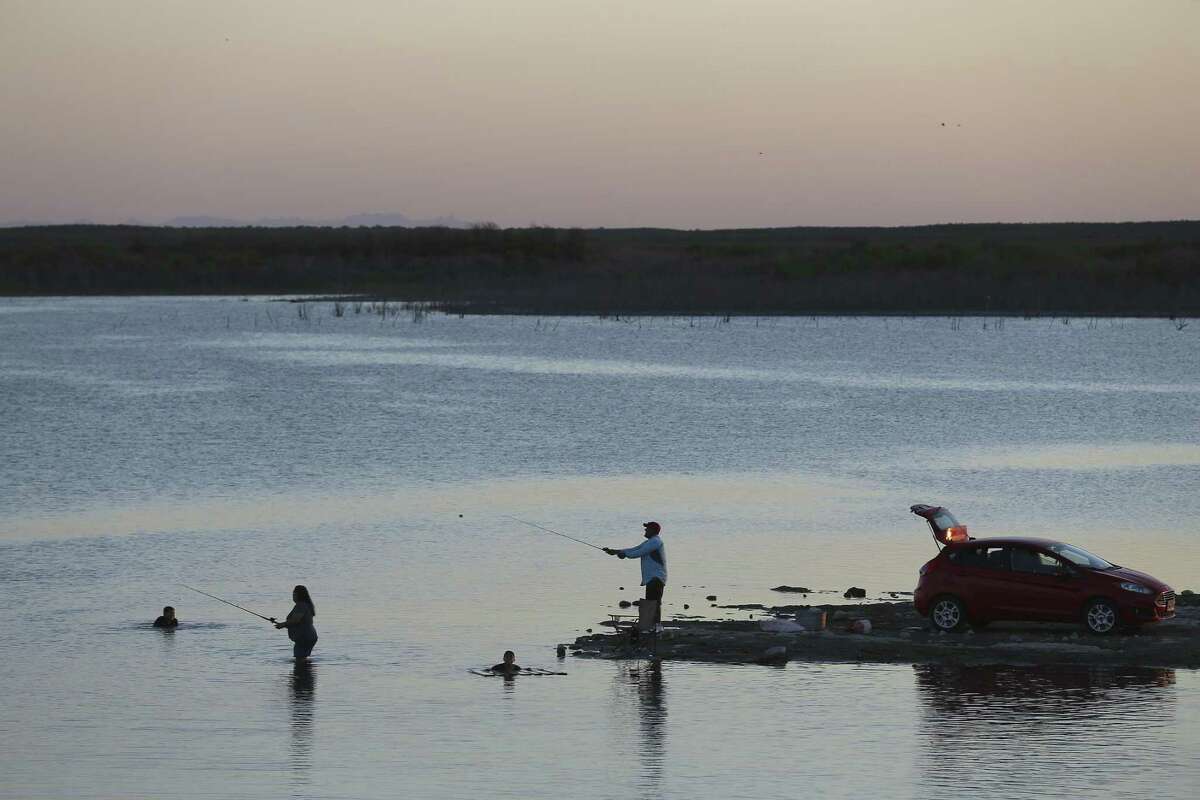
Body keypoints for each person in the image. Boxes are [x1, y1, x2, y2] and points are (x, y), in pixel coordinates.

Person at [604, 521, 667, 632]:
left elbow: (638, 553)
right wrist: (615, 551)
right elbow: (634, 549)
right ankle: (654, 626)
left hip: (656, 577)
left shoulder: (655, 542)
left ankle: (656, 626)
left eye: (647, 529)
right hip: (652, 578)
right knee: (652, 602)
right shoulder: (650, 542)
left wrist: (624, 555)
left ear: (653, 530)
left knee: (653, 603)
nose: (645, 530)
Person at [275, 585, 318, 660]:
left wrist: (282, 624)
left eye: (294, 594)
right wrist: (284, 624)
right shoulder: (306, 605)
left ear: (298, 595)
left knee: (299, 660)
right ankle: (305, 671)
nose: (293, 596)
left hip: (304, 637)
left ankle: (301, 671)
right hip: (309, 636)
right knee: (303, 660)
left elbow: (296, 620)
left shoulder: (301, 605)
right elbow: (298, 622)